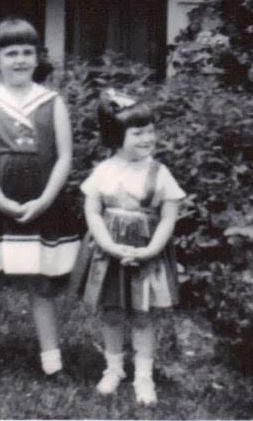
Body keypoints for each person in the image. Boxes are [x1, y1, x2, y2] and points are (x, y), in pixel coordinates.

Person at [0, 17, 80, 389]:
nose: (21, 60)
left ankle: (52, 363)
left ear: (37, 57)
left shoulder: (52, 102)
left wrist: (45, 200)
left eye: (27, 52)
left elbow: (64, 157)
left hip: (42, 205)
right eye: (11, 53)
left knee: (41, 285)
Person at [70, 91, 185, 407]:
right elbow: (93, 212)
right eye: (139, 133)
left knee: (143, 315)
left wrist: (150, 251)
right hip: (109, 253)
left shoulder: (159, 173)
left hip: (146, 252)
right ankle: (114, 368)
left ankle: (143, 376)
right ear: (116, 137)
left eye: (151, 131)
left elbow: (168, 218)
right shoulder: (104, 171)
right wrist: (107, 245)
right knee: (112, 312)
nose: (148, 138)